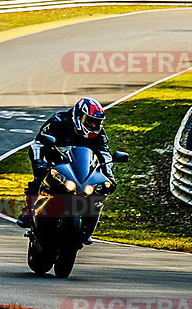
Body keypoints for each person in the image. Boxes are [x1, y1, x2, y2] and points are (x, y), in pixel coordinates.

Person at [15, 96, 119, 240]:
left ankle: (88, 225)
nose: (93, 125)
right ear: (79, 115)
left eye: (97, 122)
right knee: (40, 177)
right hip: (55, 161)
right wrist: (39, 162)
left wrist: (109, 175)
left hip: (81, 168)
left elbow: (105, 154)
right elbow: (38, 143)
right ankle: (29, 211)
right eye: (89, 121)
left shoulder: (99, 134)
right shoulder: (58, 121)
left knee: (100, 190)